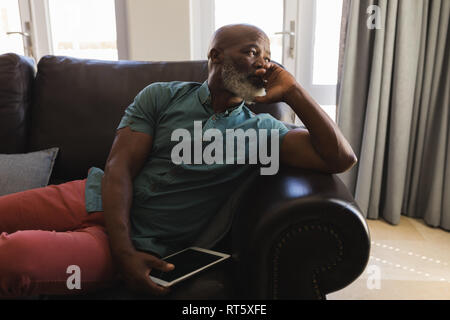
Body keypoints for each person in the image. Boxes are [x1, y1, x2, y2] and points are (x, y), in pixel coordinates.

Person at [0, 24, 357, 298]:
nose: (264, 63)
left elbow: (340, 158)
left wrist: (294, 93)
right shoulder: (161, 96)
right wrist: (125, 253)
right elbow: (119, 167)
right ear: (216, 56)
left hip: (142, 242)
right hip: (88, 196)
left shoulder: (264, 132)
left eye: (268, 56)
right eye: (252, 52)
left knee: (16, 256)